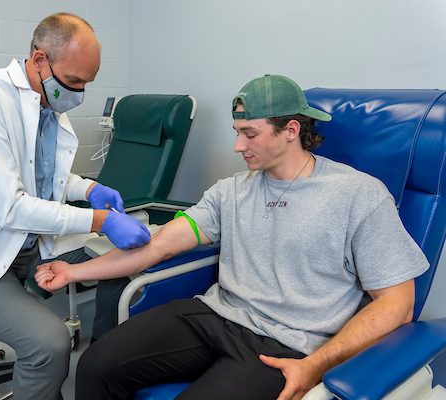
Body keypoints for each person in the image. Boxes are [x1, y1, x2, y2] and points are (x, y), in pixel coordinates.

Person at [34, 74, 430, 400]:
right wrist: (74, 273)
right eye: (237, 132)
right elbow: (158, 245)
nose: (238, 146)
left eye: (250, 134)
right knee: (94, 365)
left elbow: (397, 303)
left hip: (289, 343)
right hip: (216, 314)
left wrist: (316, 364)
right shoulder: (232, 190)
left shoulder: (358, 195)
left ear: (291, 130)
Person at [0, 12, 151, 400]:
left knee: (127, 266)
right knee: (49, 344)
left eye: (87, 83)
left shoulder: (47, 104)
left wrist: (88, 188)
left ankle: (99, 367)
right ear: (39, 60)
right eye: (73, 81)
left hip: (32, 245)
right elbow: (10, 205)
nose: (80, 92)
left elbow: (43, 177)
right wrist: (99, 220)